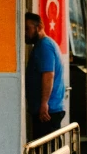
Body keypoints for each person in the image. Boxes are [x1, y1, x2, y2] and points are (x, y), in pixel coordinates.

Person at [25, 12, 65, 140]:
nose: (25, 33)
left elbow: (48, 75)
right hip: (46, 109)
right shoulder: (41, 46)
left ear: (39, 27)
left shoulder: (44, 46)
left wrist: (44, 104)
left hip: (47, 112)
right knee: (46, 153)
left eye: (28, 28)